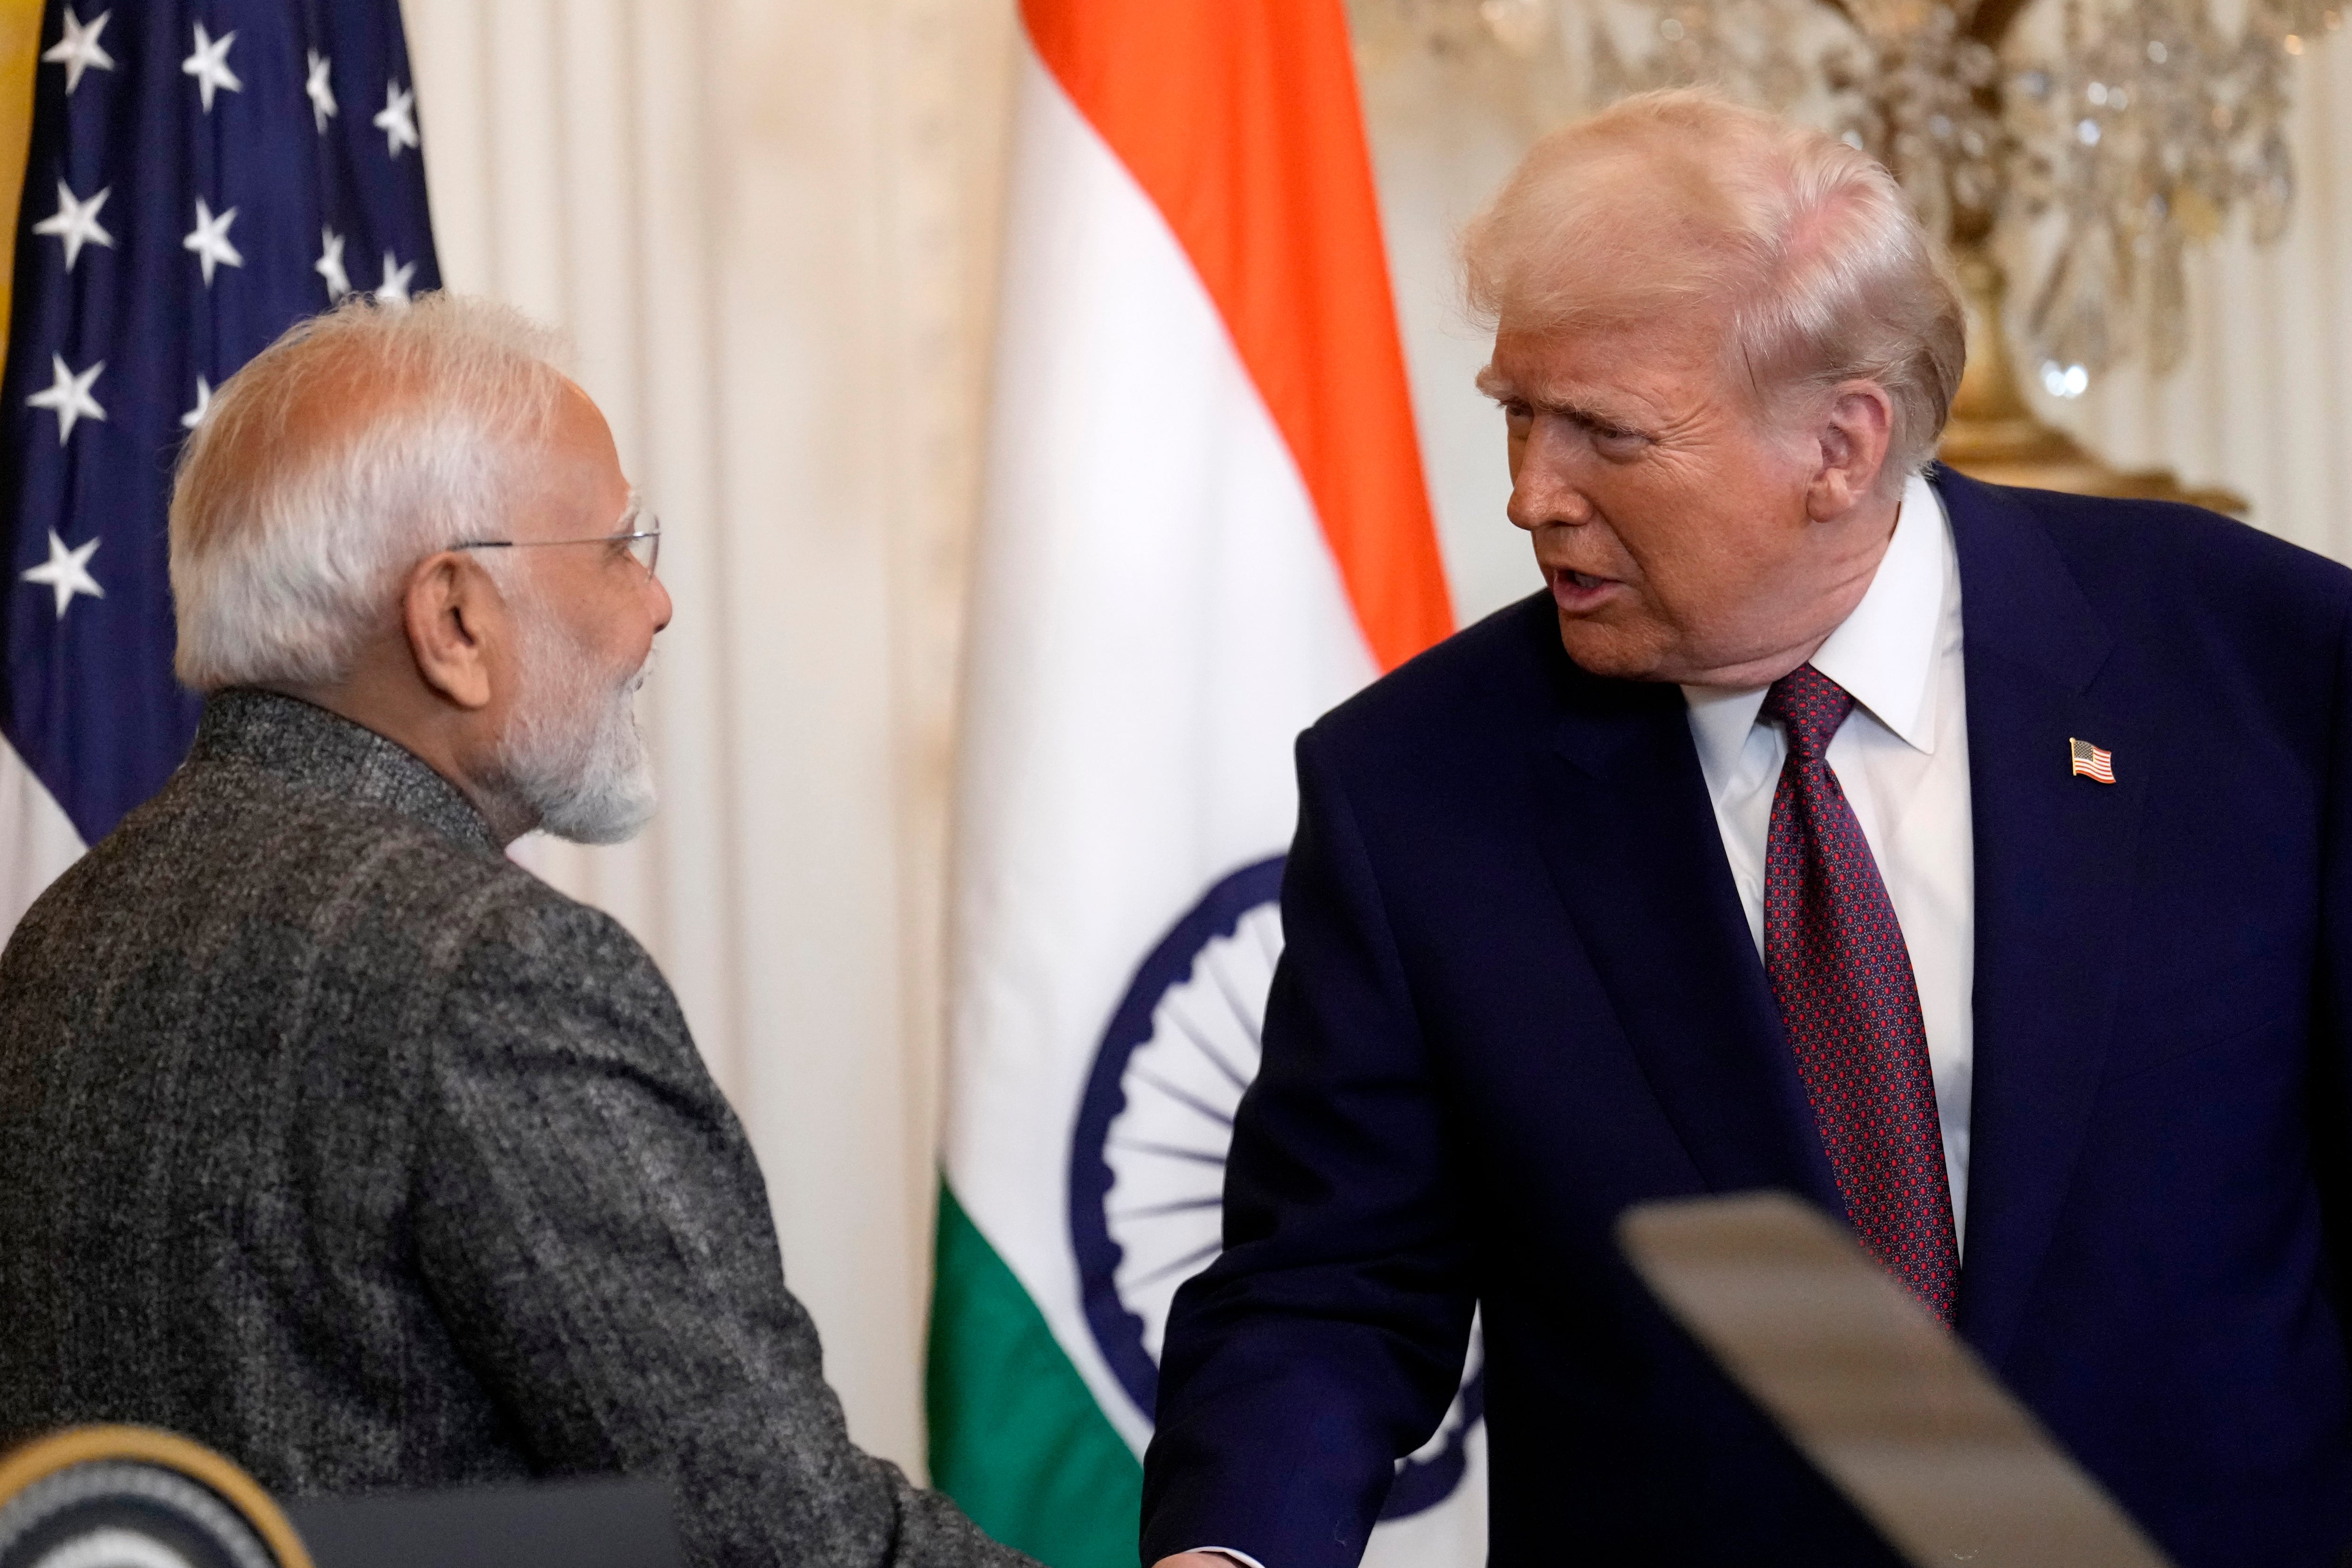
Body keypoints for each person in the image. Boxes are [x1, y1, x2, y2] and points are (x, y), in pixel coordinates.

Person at [1141, 89, 2352, 1568]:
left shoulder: (2271, 673)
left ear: (1842, 444)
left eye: (1606, 434)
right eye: (1518, 413)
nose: (1531, 496)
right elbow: (1327, 1288)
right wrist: (1236, 1549)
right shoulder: (1419, 791)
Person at [0, 294, 1029, 1568]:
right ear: (453, 621)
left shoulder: (58, 942)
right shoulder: (494, 972)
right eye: (617, 546)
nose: (654, 605)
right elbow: (784, 1542)